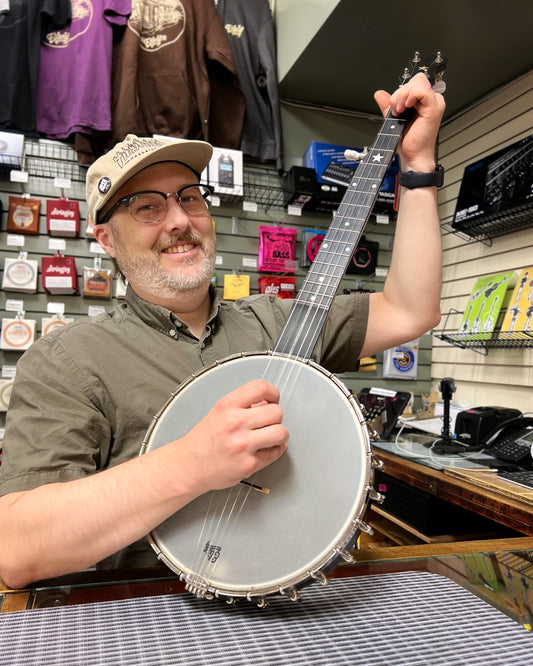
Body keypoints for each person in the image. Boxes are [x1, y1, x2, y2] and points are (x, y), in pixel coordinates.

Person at [0, 73, 445, 589]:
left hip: (301, 606)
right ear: (106, 238)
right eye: (147, 206)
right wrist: (192, 463)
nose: (178, 220)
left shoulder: (280, 322)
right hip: (151, 620)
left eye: (189, 197)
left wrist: (417, 166)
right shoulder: (67, 362)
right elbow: (16, 549)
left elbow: (411, 310)